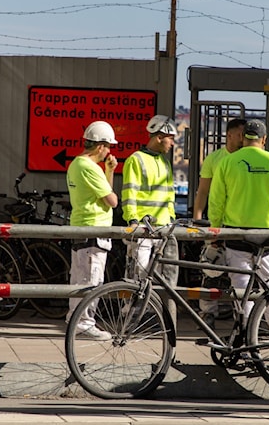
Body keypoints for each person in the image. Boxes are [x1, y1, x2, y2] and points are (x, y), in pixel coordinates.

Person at [208, 119, 269, 328]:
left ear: (243, 137)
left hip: (235, 234)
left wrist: (216, 228)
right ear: (264, 139)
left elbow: (216, 201)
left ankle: (246, 330)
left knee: (241, 286)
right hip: (267, 234)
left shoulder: (227, 162)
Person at [66, 120, 120, 341]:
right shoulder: (89, 167)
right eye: (108, 147)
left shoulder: (76, 164)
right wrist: (108, 173)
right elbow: (112, 200)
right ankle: (85, 323)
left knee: (80, 279)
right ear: (100, 146)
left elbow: (103, 195)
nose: (109, 152)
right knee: (91, 279)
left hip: (82, 228)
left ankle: (75, 320)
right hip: (93, 230)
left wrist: (108, 171)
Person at [193, 118, 247, 327]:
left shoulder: (247, 158)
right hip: (216, 224)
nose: (244, 138)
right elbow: (203, 191)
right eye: (241, 134)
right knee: (211, 270)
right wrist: (198, 220)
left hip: (241, 223)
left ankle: (240, 317)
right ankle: (208, 313)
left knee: (241, 272)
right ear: (230, 135)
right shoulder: (214, 159)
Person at [122, 114, 179, 292]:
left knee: (166, 278)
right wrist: (132, 221)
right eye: (170, 139)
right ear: (159, 137)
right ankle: (131, 315)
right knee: (138, 277)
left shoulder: (165, 163)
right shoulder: (136, 159)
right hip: (142, 228)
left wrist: (170, 218)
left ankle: (159, 315)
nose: (172, 144)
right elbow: (129, 193)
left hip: (163, 228)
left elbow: (170, 195)